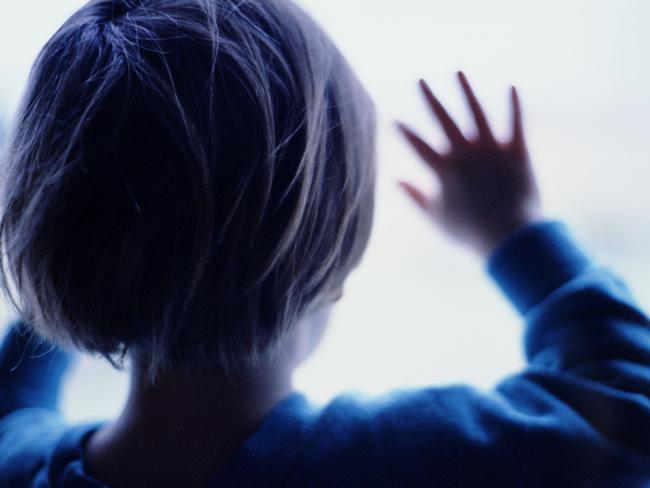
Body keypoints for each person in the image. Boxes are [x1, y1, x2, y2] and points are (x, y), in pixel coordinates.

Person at [0, 0, 649, 486]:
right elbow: (629, 410)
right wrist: (515, 231)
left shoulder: (23, 466)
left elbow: (13, 405)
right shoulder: (402, 465)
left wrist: (88, 243)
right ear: (332, 256)